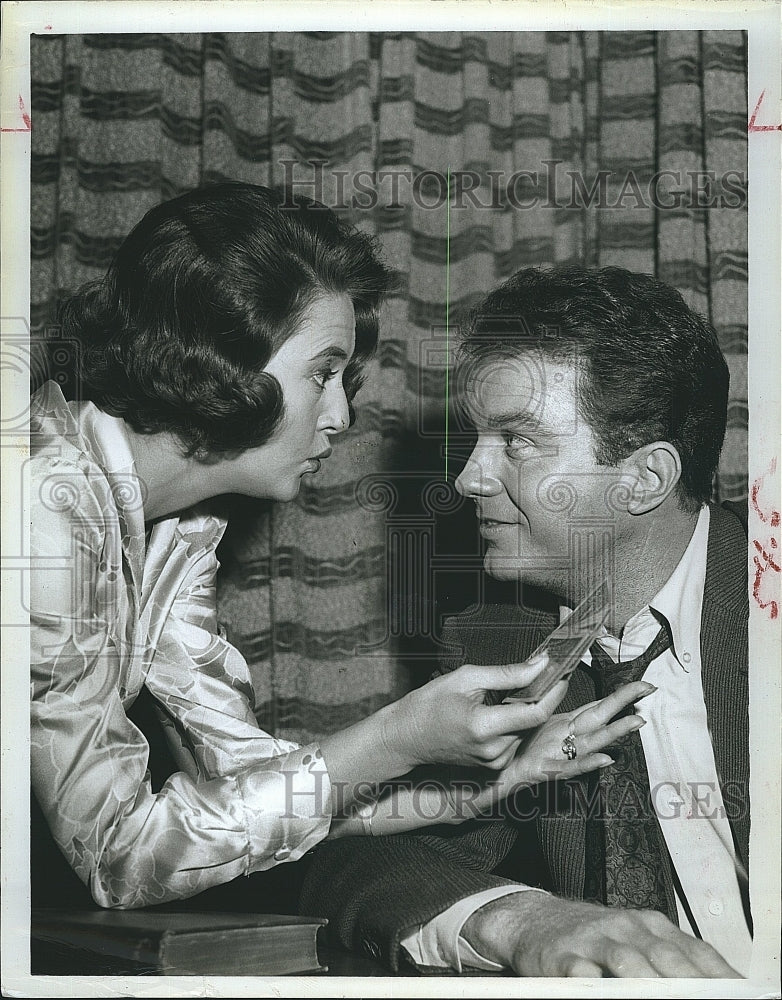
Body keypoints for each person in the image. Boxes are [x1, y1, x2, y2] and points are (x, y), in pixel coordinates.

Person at [30, 186, 643, 913]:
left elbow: (253, 794)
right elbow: (121, 853)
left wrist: (484, 787)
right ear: (220, 357)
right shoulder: (42, 505)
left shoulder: (180, 532)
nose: (341, 415)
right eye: (322, 373)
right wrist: (395, 736)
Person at [300, 264, 751, 979]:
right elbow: (359, 853)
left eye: (516, 441)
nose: (468, 479)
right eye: (479, 438)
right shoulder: (502, 639)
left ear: (644, 479)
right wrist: (521, 919)